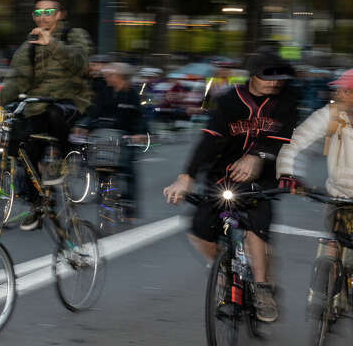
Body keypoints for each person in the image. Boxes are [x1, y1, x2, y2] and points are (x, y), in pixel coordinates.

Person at [164, 48, 298, 323]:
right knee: (199, 229)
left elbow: (281, 139)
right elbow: (209, 139)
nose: (274, 82)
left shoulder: (287, 99)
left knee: (255, 226)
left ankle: (262, 288)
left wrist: (257, 157)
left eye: (279, 77)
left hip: (261, 178)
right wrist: (187, 175)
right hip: (222, 175)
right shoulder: (229, 101)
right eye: (267, 76)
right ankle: (222, 270)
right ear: (252, 75)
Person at [0, 0, 92, 229]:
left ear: (59, 14)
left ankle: (62, 161)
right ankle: (39, 205)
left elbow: (79, 62)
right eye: (38, 13)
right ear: (33, 16)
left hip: (69, 102)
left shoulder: (75, 35)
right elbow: (17, 81)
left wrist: (50, 42)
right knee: (25, 152)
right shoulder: (28, 45)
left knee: (54, 114)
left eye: (49, 12)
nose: (43, 17)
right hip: (36, 106)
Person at [277, 69, 353, 277]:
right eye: (340, 90)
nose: (339, 95)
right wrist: (290, 174)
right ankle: (325, 298)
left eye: (346, 91)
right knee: (333, 245)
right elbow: (297, 144)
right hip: (339, 195)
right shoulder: (331, 115)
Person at [87, 62, 150, 219]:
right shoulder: (104, 92)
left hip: (125, 137)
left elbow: (140, 117)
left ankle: (129, 202)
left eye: (110, 75)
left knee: (128, 168)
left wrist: (140, 133)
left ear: (120, 77)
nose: (106, 78)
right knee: (98, 163)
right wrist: (84, 126)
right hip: (104, 135)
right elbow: (94, 112)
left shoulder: (133, 95)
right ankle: (103, 191)